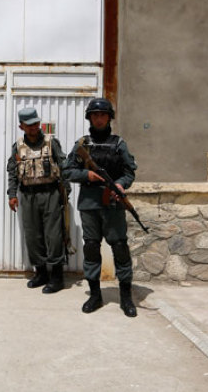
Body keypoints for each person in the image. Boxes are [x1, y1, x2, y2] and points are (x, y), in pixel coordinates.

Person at [63, 97, 138, 317]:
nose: (98, 118)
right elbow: (66, 171)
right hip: (89, 205)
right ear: (89, 118)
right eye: (94, 115)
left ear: (109, 118)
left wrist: (120, 184)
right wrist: (87, 174)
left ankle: (126, 297)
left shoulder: (118, 144)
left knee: (120, 248)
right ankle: (95, 295)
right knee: (92, 248)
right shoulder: (82, 145)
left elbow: (129, 172)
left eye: (103, 115)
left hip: (113, 204)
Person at [6, 107, 69, 294]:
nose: (34, 127)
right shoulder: (17, 146)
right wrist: (12, 195)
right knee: (33, 236)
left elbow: (63, 166)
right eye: (29, 125)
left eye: (36, 123)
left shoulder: (51, 142)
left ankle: (57, 277)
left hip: (50, 193)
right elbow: (12, 171)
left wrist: (66, 191)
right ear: (21, 126)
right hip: (27, 195)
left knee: (54, 236)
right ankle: (41, 273)